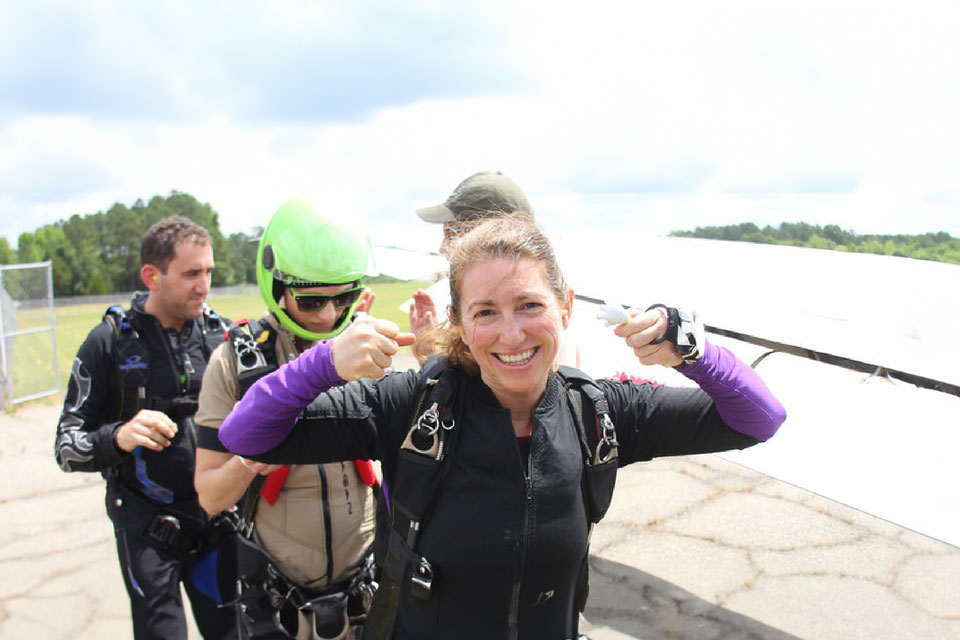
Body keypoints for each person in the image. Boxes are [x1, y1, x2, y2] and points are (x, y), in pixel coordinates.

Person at [216, 216, 786, 640]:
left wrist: (693, 350)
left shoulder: (599, 412)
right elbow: (245, 435)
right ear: (459, 325)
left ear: (564, 308)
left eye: (529, 306)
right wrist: (323, 363)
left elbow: (759, 419)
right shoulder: (410, 406)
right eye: (485, 312)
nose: (511, 335)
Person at [194, 199, 382, 640]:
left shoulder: (366, 344)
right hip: (280, 603)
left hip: (368, 592)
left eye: (345, 297)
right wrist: (248, 461)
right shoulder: (237, 364)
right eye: (312, 299)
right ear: (275, 284)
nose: (329, 315)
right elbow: (208, 497)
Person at [54, 216, 235, 640]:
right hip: (150, 535)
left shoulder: (223, 336)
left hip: (217, 526)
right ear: (152, 276)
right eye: (191, 273)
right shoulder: (109, 343)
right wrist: (117, 437)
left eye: (209, 271)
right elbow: (66, 446)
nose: (204, 285)